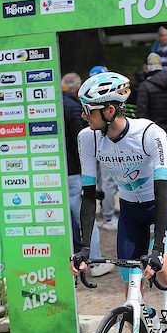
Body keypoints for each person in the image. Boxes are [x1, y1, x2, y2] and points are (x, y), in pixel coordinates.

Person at [70, 72, 167, 333]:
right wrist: (85, 247)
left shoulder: (150, 133)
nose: (83, 116)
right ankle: (144, 326)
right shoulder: (87, 138)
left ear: (110, 110)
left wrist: (157, 249)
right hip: (131, 208)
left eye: (88, 110)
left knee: (161, 270)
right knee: (131, 295)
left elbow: (162, 192)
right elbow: (88, 195)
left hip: (164, 201)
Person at [61, 71, 114, 278]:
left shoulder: (55, 106)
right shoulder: (73, 109)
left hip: (58, 171)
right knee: (84, 217)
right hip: (74, 170)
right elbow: (80, 143)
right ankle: (96, 260)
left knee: (71, 218)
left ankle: (78, 258)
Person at [137, 52, 167, 169]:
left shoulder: (145, 86)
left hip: (151, 134)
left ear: (146, 66)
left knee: (152, 170)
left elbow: (141, 115)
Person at [89, 65, 120, 231]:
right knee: (107, 181)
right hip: (104, 141)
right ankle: (108, 217)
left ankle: (106, 212)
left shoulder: (88, 95)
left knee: (101, 181)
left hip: (94, 142)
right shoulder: (103, 99)